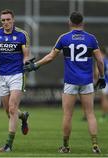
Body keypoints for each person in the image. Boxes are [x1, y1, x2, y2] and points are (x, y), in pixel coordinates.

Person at [24, 11, 106, 153]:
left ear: (69, 23)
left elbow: (50, 57)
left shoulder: (64, 38)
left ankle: (66, 146)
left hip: (70, 82)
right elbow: (99, 60)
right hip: (86, 81)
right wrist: (102, 77)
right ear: (83, 23)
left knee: (68, 115)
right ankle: (94, 145)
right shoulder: (91, 39)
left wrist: (35, 65)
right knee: (90, 114)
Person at [0, 9, 30, 152]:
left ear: (13, 20)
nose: (5, 22)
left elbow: (26, 55)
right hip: (1, 75)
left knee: (12, 108)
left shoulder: (22, 35)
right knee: (9, 112)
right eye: (3, 20)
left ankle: (8, 145)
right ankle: (24, 117)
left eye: (8, 19)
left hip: (17, 74)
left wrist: (26, 63)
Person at [97, 48, 108, 122]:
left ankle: (104, 115)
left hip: (105, 82)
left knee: (104, 99)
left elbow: (96, 73)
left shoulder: (102, 61)